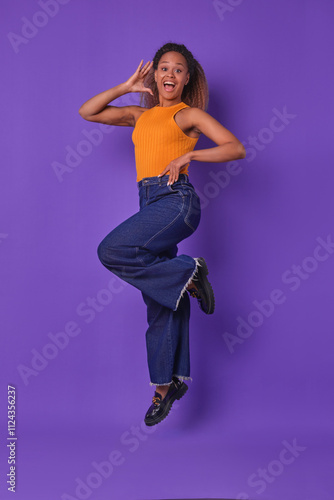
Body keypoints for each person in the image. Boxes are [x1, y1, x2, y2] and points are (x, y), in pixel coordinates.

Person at [79, 42, 246, 426]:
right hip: (150, 205)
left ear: (187, 79)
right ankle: (166, 385)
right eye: (164, 68)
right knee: (160, 303)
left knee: (111, 249)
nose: (170, 74)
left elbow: (234, 148)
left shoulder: (187, 115)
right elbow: (87, 111)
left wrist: (190, 155)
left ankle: (190, 272)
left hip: (176, 201)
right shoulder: (139, 115)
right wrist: (124, 86)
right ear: (154, 75)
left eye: (178, 69)